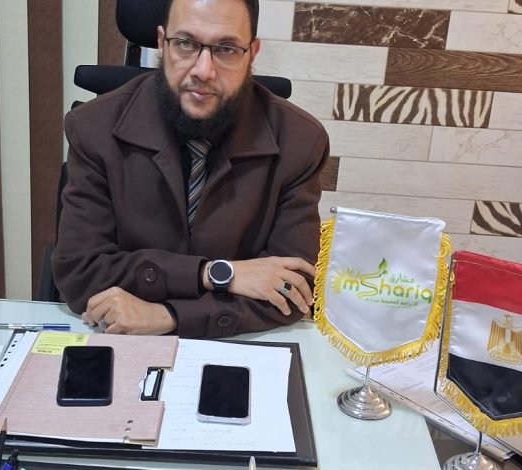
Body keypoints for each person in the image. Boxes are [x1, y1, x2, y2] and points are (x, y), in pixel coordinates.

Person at [51, 0, 329, 338]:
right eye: (185, 43)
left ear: (251, 54)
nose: (203, 70)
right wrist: (216, 274)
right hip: (120, 337)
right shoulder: (94, 127)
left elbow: (293, 290)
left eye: (226, 49)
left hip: (236, 344)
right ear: (161, 43)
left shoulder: (300, 142)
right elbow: (79, 272)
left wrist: (169, 316)